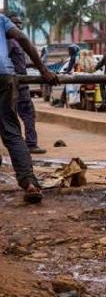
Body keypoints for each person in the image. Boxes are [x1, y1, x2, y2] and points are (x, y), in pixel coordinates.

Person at [0, 13, 58, 203]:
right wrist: (43, 69)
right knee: (11, 132)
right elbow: (23, 38)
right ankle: (29, 183)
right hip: (4, 77)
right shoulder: (1, 19)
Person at [7, 13, 47, 154]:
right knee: (25, 113)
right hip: (15, 82)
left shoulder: (15, 43)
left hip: (19, 81)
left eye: (19, 25)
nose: (18, 27)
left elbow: (22, 62)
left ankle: (26, 144)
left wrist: (34, 66)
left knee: (23, 113)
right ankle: (29, 144)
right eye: (15, 24)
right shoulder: (10, 42)